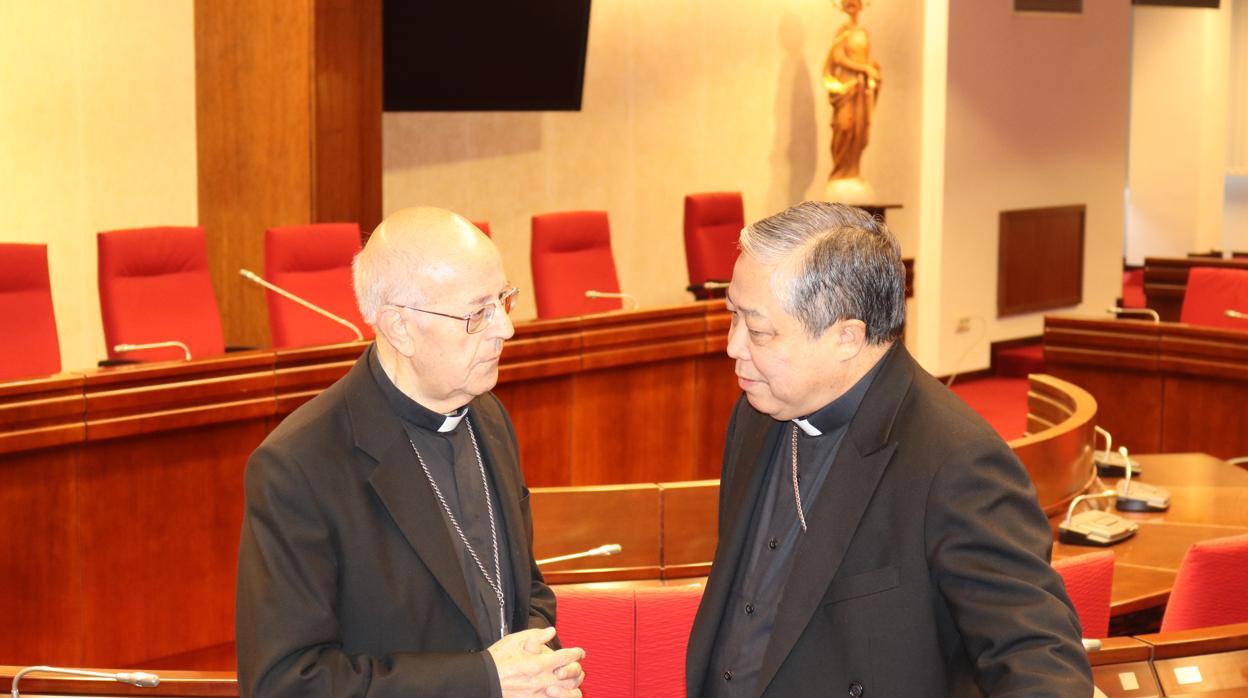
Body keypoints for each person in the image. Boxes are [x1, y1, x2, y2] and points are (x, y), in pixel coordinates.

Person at [685, 202, 1093, 696]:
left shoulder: (956, 461)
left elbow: (1037, 657)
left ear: (846, 338)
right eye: (733, 316)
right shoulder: (756, 412)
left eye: (759, 330)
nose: (733, 346)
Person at [236, 207, 585, 697]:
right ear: (399, 327)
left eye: (505, 300)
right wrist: (482, 681)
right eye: (478, 312)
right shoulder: (300, 465)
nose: (505, 329)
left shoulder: (489, 418)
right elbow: (287, 682)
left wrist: (539, 665)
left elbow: (524, 587)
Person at [822, 0, 881, 181]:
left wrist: (873, 69)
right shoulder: (843, 33)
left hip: (861, 91)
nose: (851, 2)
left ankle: (852, 172)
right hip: (846, 87)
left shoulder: (863, 33)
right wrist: (863, 68)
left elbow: (868, 59)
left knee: (859, 133)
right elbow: (837, 58)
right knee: (844, 127)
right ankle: (840, 172)